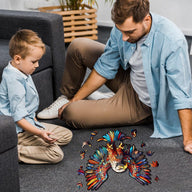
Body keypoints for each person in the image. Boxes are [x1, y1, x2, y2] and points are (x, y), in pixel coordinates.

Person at [37, 0, 192, 154]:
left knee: (71, 113)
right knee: (78, 46)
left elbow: (182, 93)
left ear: (146, 19)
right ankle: (68, 97)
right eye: (121, 30)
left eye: (130, 32)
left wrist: (188, 140)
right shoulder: (123, 28)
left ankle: (103, 102)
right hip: (129, 77)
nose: (124, 37)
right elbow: (106, 66)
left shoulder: (172, 41)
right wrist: (74, 99)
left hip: (143, 103)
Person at [0, 29, 73, 164]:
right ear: (17, 59)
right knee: (55, 154)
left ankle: (35, 143)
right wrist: (39, 133)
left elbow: (26, 107)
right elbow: (19, 119)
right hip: (19, 131)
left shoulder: (22, 70)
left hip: (29, 123)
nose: (37, 65)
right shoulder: (14, 81)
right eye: (34, 62)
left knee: (66, 135)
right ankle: (13, 151)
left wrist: (36, 125)